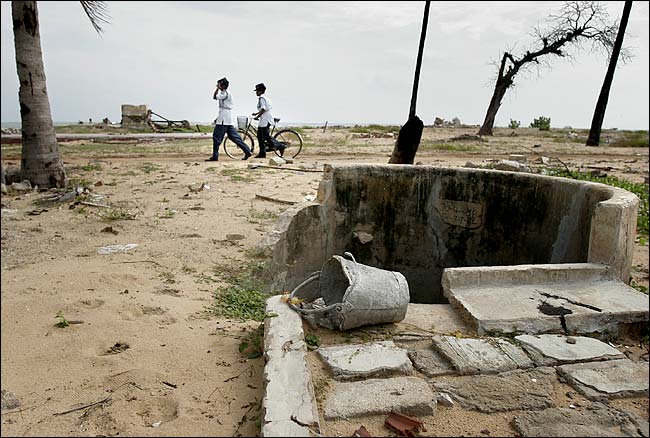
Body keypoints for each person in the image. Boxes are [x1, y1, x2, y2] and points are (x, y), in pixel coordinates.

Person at [206, 77, 252, 161]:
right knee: (234, 137)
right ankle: (247, 151)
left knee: (216, 137)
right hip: (228, 118)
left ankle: (215, 156)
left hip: (223, 119)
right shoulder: (227, 93)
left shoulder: (224, 93)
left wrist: (217, 88)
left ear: (222, 85)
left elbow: (215, 97)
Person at [251, 83, 285, 158]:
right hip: (264, 119)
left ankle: (281, 146)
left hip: (265, 120)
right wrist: (256, 113)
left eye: (257, 91)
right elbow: (264, 109)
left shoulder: (261, 99)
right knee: (259, 136)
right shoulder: (265, 98)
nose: (256, 92)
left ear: (260, 91)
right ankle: (262, 153)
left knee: (266, 137)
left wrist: (257, 116)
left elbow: (263, 109)